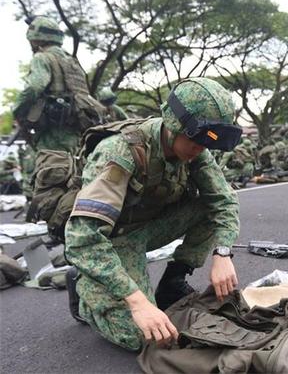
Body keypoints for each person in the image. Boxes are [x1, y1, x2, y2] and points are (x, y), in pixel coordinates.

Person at [64, 77, 242, 351]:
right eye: (196, 139)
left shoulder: (195, 151)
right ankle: (87, 294)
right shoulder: (119, 153)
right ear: (174, 123)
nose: (201, 149)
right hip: (113, 242)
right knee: (143, 338)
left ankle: (172, 281)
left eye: (208, 141)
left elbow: (223, 202)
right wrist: (137, 302)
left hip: (149, 228)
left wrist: (223, 252)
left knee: (208, 206)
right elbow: (82, 238)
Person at [12, 17, 102, 154]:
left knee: (51, 171)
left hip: (53, 133)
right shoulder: (71, 61)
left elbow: (35, 86)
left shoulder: (42, 57)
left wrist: (17, 109)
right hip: (77, 129)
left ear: (36, 38)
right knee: (74, 170)